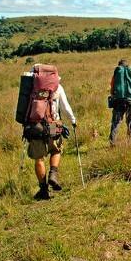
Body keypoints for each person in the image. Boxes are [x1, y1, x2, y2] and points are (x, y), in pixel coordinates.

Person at [27, 67, 77, 200]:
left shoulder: (30, 87)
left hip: (35, 126)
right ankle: (53, 174)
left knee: (39, 158)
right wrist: (73, 120)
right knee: (56, 150)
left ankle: (43, 190)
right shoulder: (57, 87)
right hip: (53, 124)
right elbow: (65, 107)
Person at [108, 59, 131, 145]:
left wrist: (114, 97)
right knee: (130, 122)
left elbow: (111, 91)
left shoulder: (115, 76)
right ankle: (130, 143)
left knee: (116, 123)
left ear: (119, 66)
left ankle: (112, 143)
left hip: (119, 102)